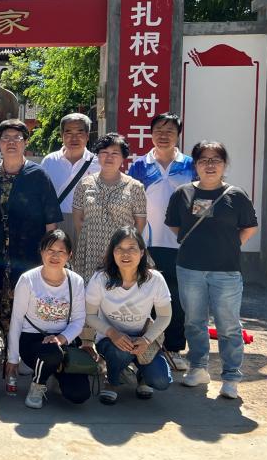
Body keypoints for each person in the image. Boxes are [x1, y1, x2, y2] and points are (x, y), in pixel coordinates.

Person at [166, 141, 259, 400]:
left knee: (228, 325)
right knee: (194, 322)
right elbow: (174, 225)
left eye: (215, 159)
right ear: (195, 165)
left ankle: (231, 377)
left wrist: (229, 246)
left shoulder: (236, 195)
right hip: (189, 268)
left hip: (225, 271)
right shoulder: (183, 193)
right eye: (203, 160)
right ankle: (198, 368)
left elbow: (250, 227)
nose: (210, 165)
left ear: (224, 164)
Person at [0, 119, 63, 334]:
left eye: (17, 138)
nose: (11, 142)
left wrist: (49, 254)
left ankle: (21, 347)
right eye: (6, 138)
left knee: (25, 301)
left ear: (25, 142)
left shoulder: (38, 176)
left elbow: (50, 221)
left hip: (28, 252)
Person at [128, 113, 197, 371]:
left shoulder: (190, 165)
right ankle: (144, 351)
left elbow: (201, 199)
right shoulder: (139, 165)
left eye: (169, 131)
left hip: (181, 244)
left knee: (177, 299)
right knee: (145, 298)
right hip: (146, 243)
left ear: (178, 134)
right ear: (151, 133)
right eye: (158, 130)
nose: (163, 135)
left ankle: (175, 348)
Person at [85, 227, 173, 405]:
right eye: (120, 248)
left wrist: (147, 339)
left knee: (161, 381)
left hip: (142, 338)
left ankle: (142, 375)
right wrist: (112, 333)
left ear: (142, 252)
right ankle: (112, 380)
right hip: (109, 340)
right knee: (119, 352)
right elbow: (89, 315)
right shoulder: (100, 278)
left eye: (132, 248)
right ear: (112, 252)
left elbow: (165, 316)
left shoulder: (154, 279)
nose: (125, 254)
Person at [6, 230, 91, 410]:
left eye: (61, 251)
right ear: (41, 251)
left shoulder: (76, 281)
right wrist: (12, 358)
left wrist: (61, 338)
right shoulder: (27, 280)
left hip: (62, 340)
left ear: (69, 255)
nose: (55, 256)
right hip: (32, 340)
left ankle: (53, 372)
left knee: (79, 395)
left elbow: (78, 320)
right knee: (51, 352)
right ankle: (37, 384)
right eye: (50, 250)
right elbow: (17, 320)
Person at [71, 133, 147, 281]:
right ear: (98, 155)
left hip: (121, 251)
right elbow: (78, 219)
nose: (109, 157)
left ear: (123, 157)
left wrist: (128, 246)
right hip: (90, 249)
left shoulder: (135, 187)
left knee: (118, 287)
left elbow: (140, 223)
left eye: (115, 153)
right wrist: (90, 239)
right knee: (91, 289)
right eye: (104, 152)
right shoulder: (84, 184)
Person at [40, 113, 100, 242]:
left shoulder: (98, 163)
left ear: (87, 135)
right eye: (68, 133)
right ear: (61, 135)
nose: (74, 138)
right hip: (55, 222)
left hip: (87, 222)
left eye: (79, 133)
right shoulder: (49, 161)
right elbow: (40, 195)